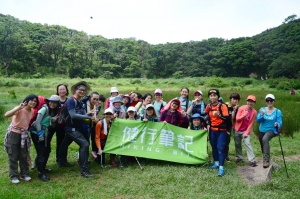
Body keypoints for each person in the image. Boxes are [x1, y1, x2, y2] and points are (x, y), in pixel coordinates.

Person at [58, 81, 97, 178]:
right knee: (85, 144)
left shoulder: (80, 102)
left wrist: (89, 114)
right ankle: (84, 170)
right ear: (76, 90)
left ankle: (62, 162)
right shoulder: (71, 100)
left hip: (77, 128)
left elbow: (83, 115)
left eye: (84, 90)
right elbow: (73, 115)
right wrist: (88, 117)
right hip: (71, 128)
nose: (82, 92)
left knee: (65, 144)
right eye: (80, 90)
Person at [4, 94, 38, 184]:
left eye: (35, 101)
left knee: (24, 155)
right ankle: (14, 176)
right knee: (13, 155)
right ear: (26, 100)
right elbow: (6, 115)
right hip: (14, 133)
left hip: (24, 134)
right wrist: (18, 108)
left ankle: (24, 174)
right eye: (32, 100)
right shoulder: (19, 109)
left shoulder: (32, 111)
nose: (33, 102)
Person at [30, 95, 60, 181]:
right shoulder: (44, 109)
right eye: (51, 102)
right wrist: (40, 134)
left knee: (47, 150)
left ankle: (42, 168)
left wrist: (53, 120)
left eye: (55, 102)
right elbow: (37, 122)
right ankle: (40, 173)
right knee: (42, 151)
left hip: (44, 133)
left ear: (57, 104)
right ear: (48, 101)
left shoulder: (53, 111)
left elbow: (51, 124)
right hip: (36, 133)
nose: (52, 104)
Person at [205, 89, 229, 177]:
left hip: (221, 130)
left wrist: (218, 115)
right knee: (214, 147)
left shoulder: (222, 106)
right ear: (209, 97)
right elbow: (206, 115)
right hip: (212, 130)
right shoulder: (208, 106)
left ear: (218, 96)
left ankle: (221, 168)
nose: (213, 97)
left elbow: (227, 119)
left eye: (214, 95)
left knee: (220, 148)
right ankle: (216, 163)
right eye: (211, 96)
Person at [256, 94, 282, 168]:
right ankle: (265, 158)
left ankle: (266, 161)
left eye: (271, 100)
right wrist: (261, 115)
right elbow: (258, 120)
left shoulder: (277, 111)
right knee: (263, 144)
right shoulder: (262, 109)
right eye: (268, 100)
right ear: (266, 101)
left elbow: (280, 122)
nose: (269, 102)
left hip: (272, 130)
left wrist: (277, 124)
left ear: (274, 101)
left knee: (265, 139)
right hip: (262, 130)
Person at [233, 95, 258, 167]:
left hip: (245, 130)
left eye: (252, 101)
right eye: (249, 101)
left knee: (247, 143)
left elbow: (251, 123)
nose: (250, 103)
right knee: (237, 144)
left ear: (254, 103)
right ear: (247, 101)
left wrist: (247, 132)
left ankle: (252, 160)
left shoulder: (254, 112)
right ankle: (239, 157)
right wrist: (244, 115)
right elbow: (237, 119)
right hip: (237, 129)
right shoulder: (241, 108)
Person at [81, 92, 102, 160]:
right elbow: (80, 115)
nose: (95, 101)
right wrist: (89, 116)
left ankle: (84, 158)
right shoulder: (83, 104)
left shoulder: (97, 105)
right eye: (94, 99)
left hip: (90, 126)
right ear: (90, 98)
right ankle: (81, 159)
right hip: (82, 126)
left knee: (86, 142)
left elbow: (95, 117)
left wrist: (96, 119)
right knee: (84, 143)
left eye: (97, 99)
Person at [224, 93, 240, 162]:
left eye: (237, 99)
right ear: (230, 99)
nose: (235, 101)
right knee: (221, 140)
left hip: (229, 126)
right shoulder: (225, 105)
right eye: (234, 99)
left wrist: (235, 110)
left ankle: (225, 155)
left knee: (227, 140)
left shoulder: (237, 108)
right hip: (222, 125)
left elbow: (233, 119)